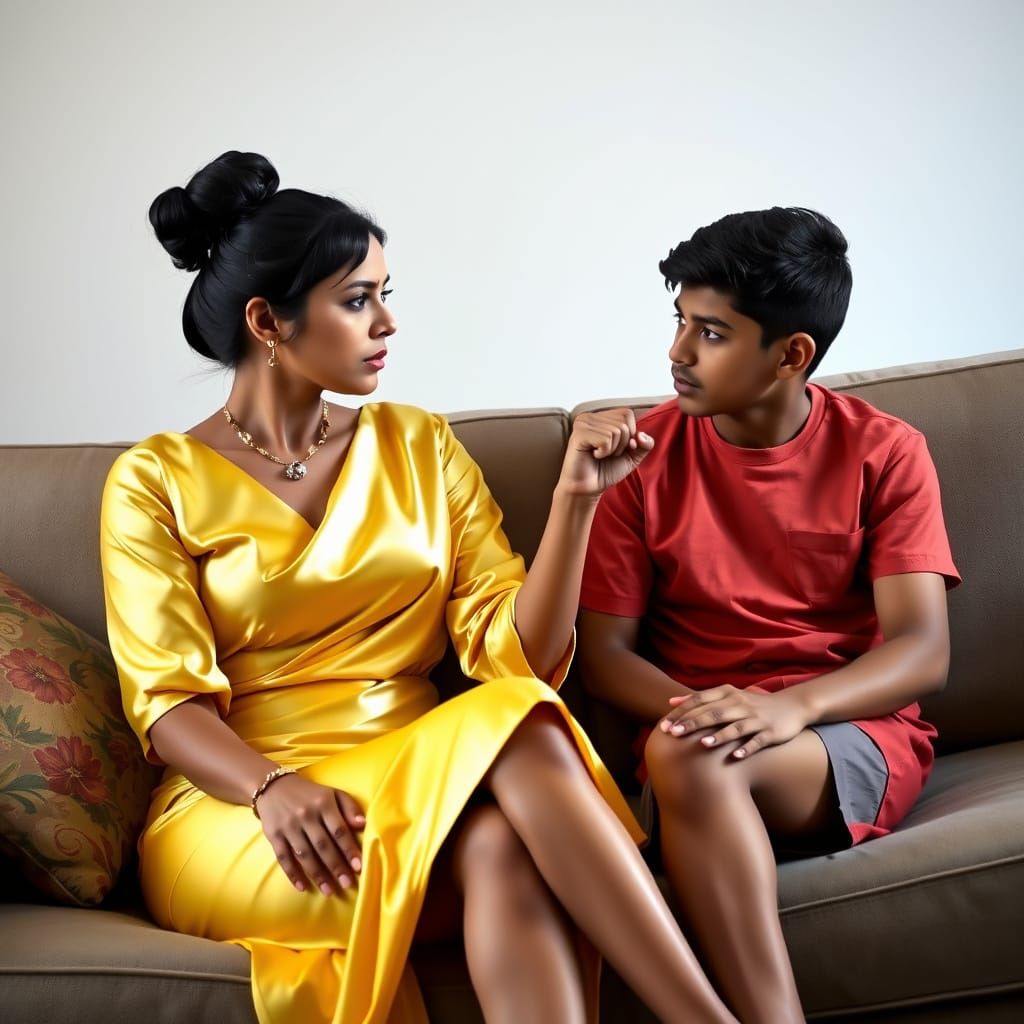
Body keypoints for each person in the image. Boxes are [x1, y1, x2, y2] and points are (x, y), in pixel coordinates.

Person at [99, 151, 739, 1024]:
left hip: (425, 781)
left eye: (386, 294)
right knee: (515, 735)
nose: (388, 323)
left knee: (505, 831)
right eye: (358, 299)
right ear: (269, 321)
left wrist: (575, 504)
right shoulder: (153, 480)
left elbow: (520, 662)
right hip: (244, 812)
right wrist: (271, 788)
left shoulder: (420, 444)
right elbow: (166, 704)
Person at [578, 207, 961, 1024]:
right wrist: (716, 713)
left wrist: (789, 708)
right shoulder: (640, 460)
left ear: (792, 354)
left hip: (840, 736)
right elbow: (603, 657)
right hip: (700, 735)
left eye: (711, 333)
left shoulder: (885, 451)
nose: (677, 353)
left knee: (690, 754)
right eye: (679, 323)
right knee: (688, 752)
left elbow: (922, 650)